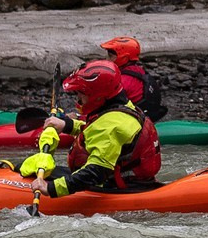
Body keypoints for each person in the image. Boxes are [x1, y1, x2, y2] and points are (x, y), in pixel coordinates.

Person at [13, 59, 163, 199]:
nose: (77, 98)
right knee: (29, 168)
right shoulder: (123, 108)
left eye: (81, 93)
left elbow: (95, 172)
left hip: (114, 187)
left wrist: (51, 188)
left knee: (29, 171)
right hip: (130, 182)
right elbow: (95, 127)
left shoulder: (111, 127)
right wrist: (67, 125)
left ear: (97, 95)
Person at [97, 34, 169, 122]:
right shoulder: (138, 70)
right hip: (144, 114)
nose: (106, 59)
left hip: (133, 121)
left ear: (124, 58)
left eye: (110, 56)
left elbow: (100, 105)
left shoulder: (122, 81)